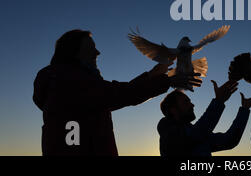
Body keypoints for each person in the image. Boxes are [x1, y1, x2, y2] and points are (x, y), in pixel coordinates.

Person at [33, 29, 201, 155]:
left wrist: (151, 76)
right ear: (73, 53)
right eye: (91, 48)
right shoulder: (68, 81)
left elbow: (113, 93)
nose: (97, 52)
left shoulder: (66, 82)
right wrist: (167, 81)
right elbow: (118, 94)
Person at [157, 80, 251, 156]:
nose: (192, 105)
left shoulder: (193, 132)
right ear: (173, 110)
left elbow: (229, 141)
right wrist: (219, 101)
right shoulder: (169, 134)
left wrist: (245, 109)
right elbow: (197, 133)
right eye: (186, 102)